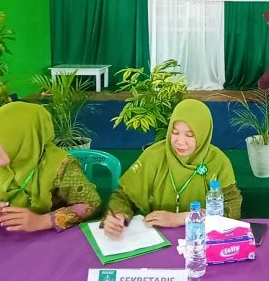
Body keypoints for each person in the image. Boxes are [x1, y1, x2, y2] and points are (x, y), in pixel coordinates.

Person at [0, 102, 101, 232]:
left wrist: (44, 221)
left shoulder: (59, 166)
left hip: (49, 244)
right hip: (4, 242)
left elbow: (91, 204)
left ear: (23, 139)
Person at [103, 99, 241, 237]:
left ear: (203, 134)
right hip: (156, 238)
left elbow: (231, 209)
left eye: (189, 135)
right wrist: (118, 215)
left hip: (199, 240)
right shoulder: (154, 156)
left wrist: (182, 218)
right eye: (175, 133)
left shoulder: (218, 162)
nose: (180, 141)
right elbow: (123, 195)